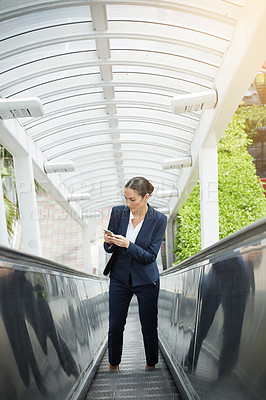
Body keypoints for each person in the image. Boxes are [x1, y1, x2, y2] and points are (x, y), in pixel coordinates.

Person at [104, 176, 167, 371]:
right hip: (119, 278)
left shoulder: (159, 220)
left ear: (146, 197)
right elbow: (109, 248)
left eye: (133, 199)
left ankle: (151, 364)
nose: (128, 203)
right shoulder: (118, 213)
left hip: (146, 280)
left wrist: (128, 245)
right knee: (115, 325)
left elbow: (150, 256)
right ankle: (113, 364)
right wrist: (108, 242)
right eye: (126, 198)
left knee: (148, 326)